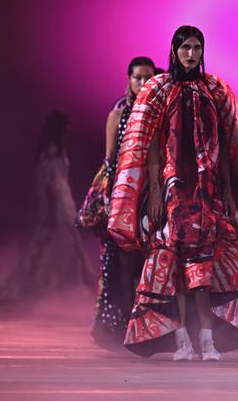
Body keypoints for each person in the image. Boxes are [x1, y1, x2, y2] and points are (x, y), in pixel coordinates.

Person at [107, 25, 238, 361]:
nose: (191, 54)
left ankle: (207, 340)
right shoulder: (159, 88)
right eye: (185, 48)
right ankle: (182, 339)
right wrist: (153, 191)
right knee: (173, 263)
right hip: (171, 190)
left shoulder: (215, 89)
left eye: (197, 47)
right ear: (174, 49)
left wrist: (226, 188)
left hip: (207, 190)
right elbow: (150, 143)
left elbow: (227, 146)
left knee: (204, 263)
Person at [77, 57, 154, 348]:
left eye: (148, 77)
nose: (143, 83)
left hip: (151, 194)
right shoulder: (118, 113)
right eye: (138, 78)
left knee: (149, 261)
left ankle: (147, 324)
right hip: (122, 194)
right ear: (128, 79)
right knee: (121, 260)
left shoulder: (158, 111)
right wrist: (114, 199)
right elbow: (110, 159)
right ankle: (123, 324)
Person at [0, 112, 95, 301]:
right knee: (64, 244)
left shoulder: (50, 151)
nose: (68, 131)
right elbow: (55, 183)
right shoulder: (51, 151)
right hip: (60, 203)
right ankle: (88, 285)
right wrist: (57, 207)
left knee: (61, 245)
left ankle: (83, 285)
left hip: (60, 202)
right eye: (66, 128)